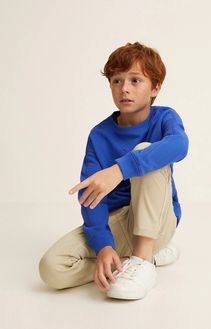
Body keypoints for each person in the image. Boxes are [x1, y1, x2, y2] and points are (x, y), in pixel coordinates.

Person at [39, 41, 189, 300]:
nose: (125, 89)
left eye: (135, 80)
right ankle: (140, 258)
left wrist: (120, 170)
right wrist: (104, 246)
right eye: (116, 81)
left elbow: (179, 144)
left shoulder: (165, 118)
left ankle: (142, 259)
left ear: (155, 88)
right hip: (119, 222)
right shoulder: (99, 134)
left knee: (145, 151)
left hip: (159, 220)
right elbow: (90, 195)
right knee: (51, 268)